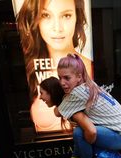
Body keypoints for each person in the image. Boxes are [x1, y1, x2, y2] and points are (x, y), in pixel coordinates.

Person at [16, 0, 93, 132]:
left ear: (77, 17)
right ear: (36, 19)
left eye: (66, 15)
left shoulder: (90, 68)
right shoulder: (29, 69)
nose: (57, 28)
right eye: (46, 15)